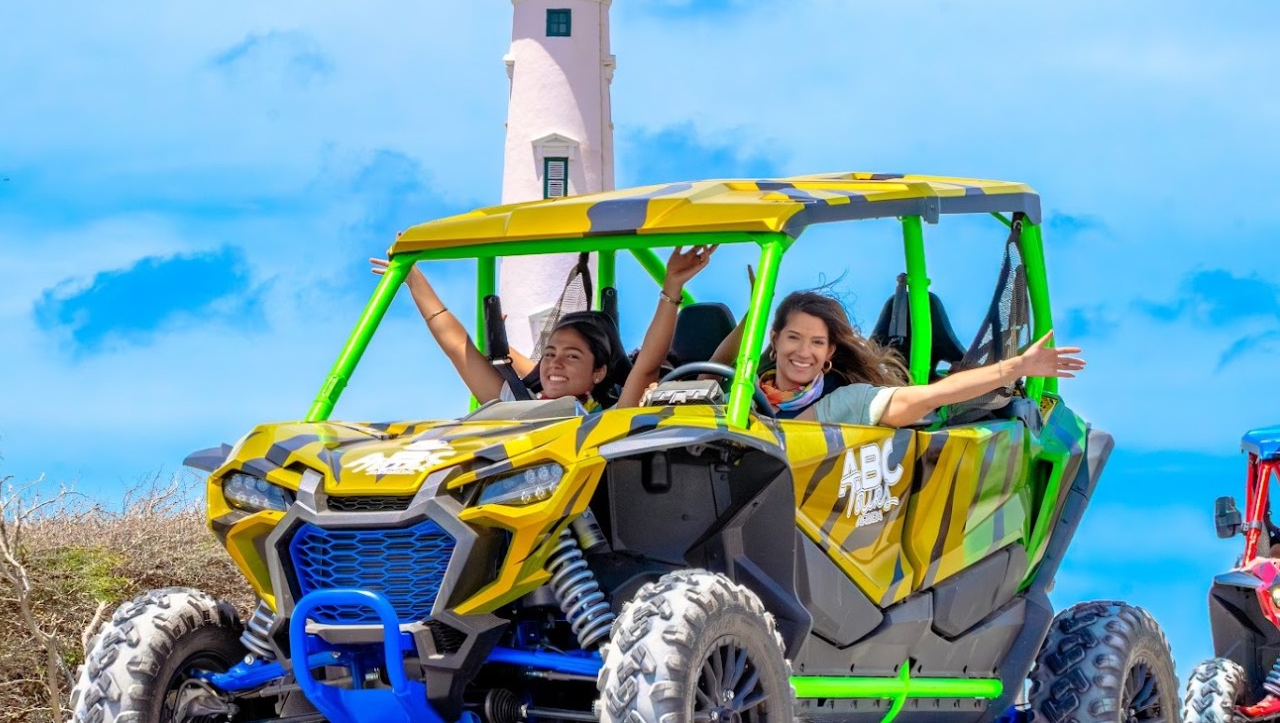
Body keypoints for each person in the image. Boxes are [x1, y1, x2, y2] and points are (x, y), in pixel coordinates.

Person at [374, 245, 716, 411]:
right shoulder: (516, 403)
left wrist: (671, 289)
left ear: (599, 372)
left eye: (572, 356)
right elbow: (454, 343)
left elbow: (646, 367)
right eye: (550, 353)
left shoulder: (606, 416)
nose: (555, 363)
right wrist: (414, 279)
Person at [710, 287, 1085, 426]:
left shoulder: (846, 403)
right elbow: (650, 377)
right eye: (794, 338)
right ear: (774, 341)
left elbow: (931, 396)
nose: (803, 352)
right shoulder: (741, 395)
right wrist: (673, 289)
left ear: (829, 353)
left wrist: (1015, 367)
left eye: (817, 343)